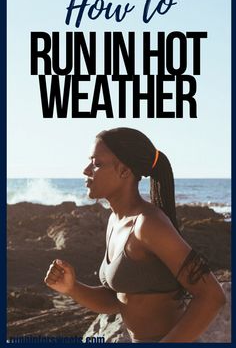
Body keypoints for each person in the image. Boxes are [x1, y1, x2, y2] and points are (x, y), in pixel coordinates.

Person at [44, 127, 226, 343]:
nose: (86, 170)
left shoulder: (148, 224)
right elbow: (119, 300)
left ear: (124, 171)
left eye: (97, 163)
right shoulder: (115, 221)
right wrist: (72, 288)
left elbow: (212, 296)